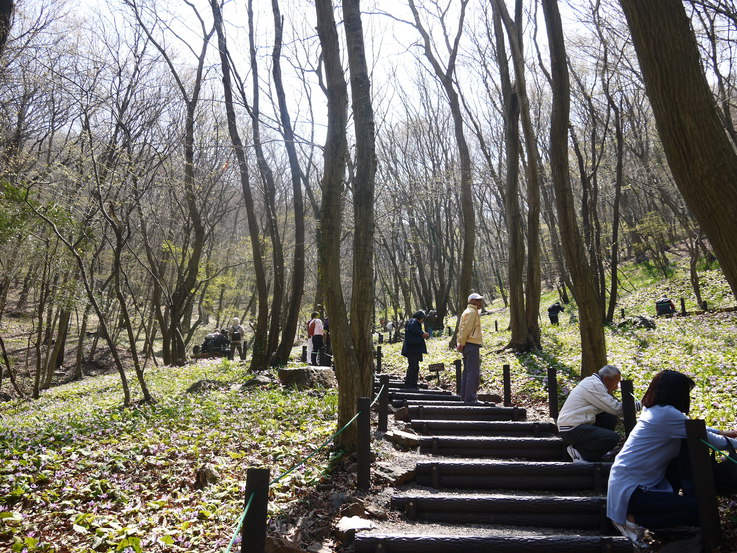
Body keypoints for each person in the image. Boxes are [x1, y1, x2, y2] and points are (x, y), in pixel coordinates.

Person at [607, 370, 737, 546]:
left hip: (627, 483)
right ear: (677, 392)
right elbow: (716, 442)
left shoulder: (655, 410)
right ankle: (633, 518)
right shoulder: (668, 415)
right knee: (701, 511)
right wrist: (731, 440)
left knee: (696, 509)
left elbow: (692, 427)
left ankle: (644, 519)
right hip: (633, 491)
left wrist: (726, 432)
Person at [557, 365, 637, 463]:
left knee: (609, 417)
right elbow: (618, 410)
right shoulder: (594, 386)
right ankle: (579, 452)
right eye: (616, 383)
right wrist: (644, 404)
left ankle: (593, 451)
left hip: (575, 425)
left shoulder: (593, 382)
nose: (616, 387)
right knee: (612, 438)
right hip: (571, 429)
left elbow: (612, 409)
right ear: (606, 379)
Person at [457, 293, 484, 404]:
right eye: (478, 300)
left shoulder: (468, 311)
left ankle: (465, 397)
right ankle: (471, 398)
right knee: (473, 372)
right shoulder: (472, 312)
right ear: (472, 301)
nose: (480, 302)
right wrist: (461, 343)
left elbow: (463, 329)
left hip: (468, 344)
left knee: (468, 371)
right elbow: (466, 329)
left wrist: (461, 343)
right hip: (471, 344)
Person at [402, 310, 429, 388]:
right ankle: (409, 384)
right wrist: (422, 334)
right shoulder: (413, 322)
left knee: (415, 367)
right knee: (412, 366)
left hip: (414, 349)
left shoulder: (414, 323)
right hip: (412, 349)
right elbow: (413, 329)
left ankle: (413, 383)